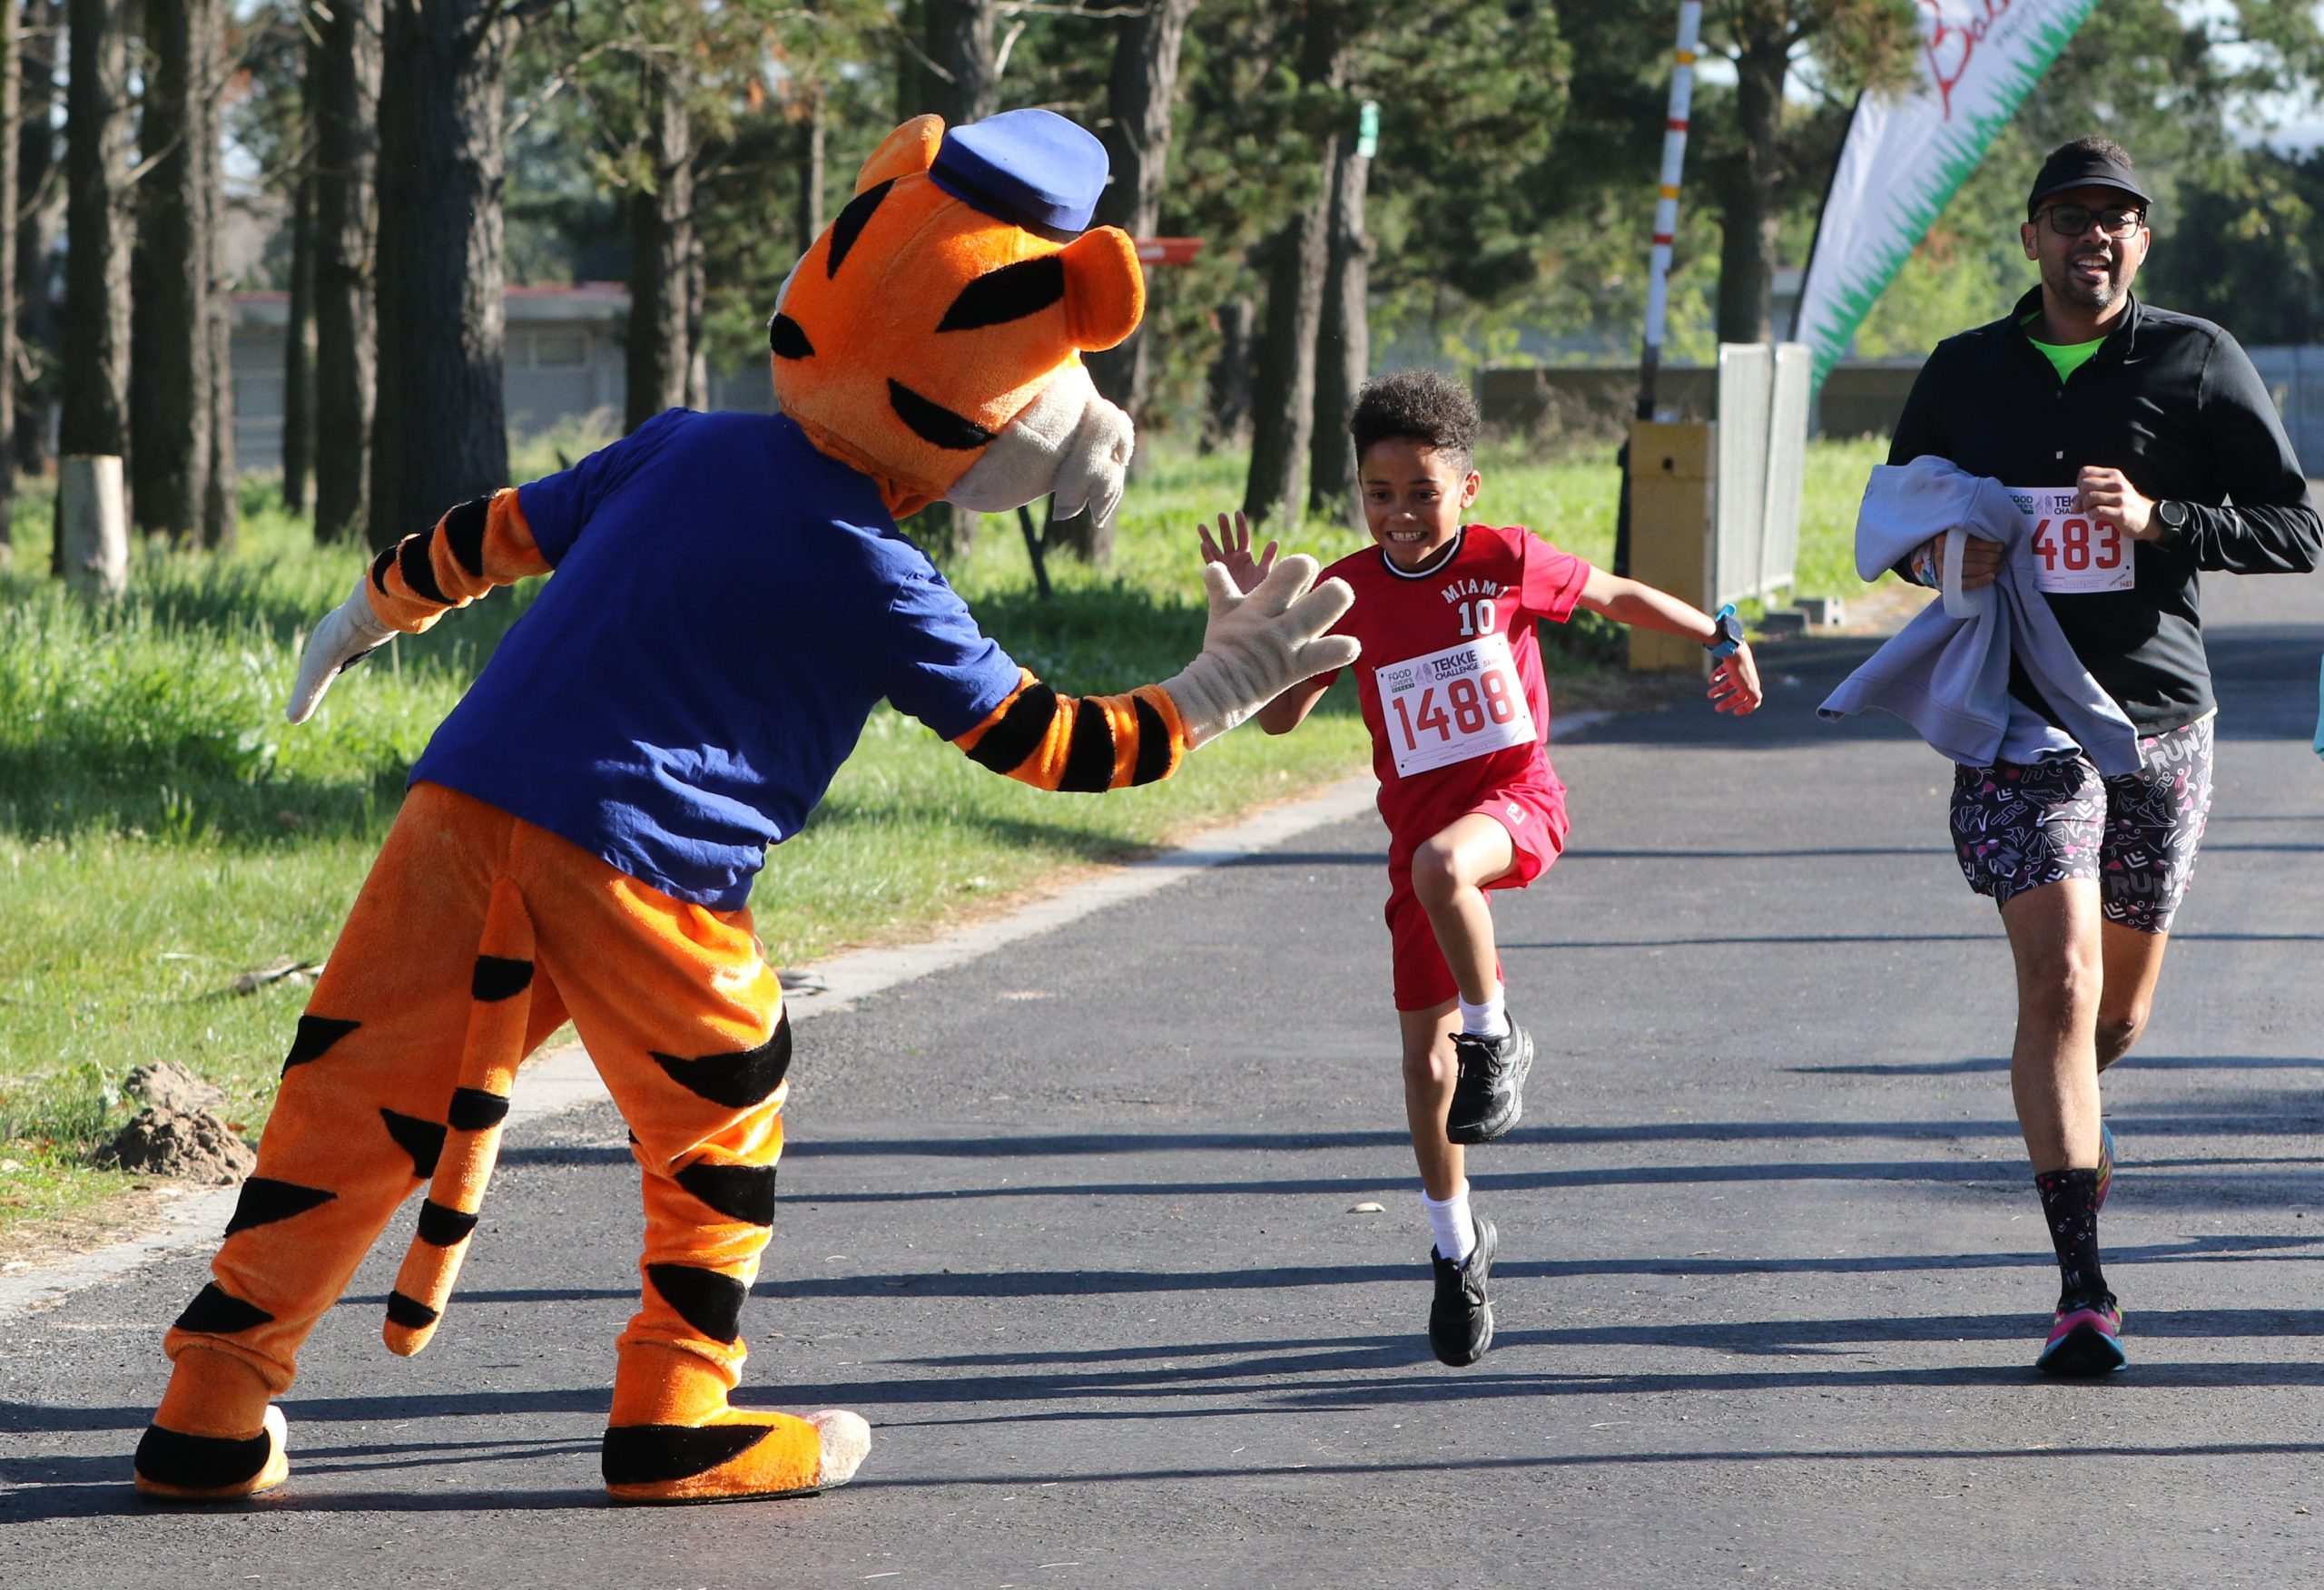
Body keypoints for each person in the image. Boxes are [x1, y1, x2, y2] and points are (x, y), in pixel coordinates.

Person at [1202, 369, 1761, 1366]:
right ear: (1359, 496)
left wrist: (1717, 632)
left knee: (1444, 868)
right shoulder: (1348, 590)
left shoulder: (1506, 563)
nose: (1402, 514)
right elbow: (1284, 715)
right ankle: (1456, 1249)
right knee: (1423, 1067)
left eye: (1422, 492)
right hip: (1413, 848)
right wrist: (1262, 638)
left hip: (1514, 805)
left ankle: (1496, 1035)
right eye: (1381, 495)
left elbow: (1617, 593)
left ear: (1468, 490)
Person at [1883, 135, 2321, 1374]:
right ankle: (2084, 1287)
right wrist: (1936, 560)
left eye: (2120, 220)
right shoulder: (1968, 371)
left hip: (2161, 721)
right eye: (2073, 218)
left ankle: (2080, 1123)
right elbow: (1900, 509)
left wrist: (2159, 517)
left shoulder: (2195, 360)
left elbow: (2296, 528)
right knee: (2062, 990)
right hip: (2019, 715)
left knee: (2116, 1016)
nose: (2097, 238)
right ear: (2032, 238)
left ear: (2143, 241)